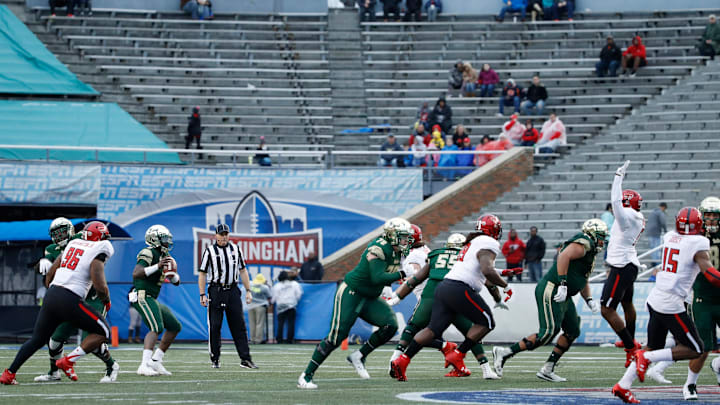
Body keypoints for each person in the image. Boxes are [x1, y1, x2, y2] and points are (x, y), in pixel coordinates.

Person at [390, 215, 515, 381]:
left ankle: (402, 360)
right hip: (460, 289)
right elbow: (486, 270)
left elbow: (473, 267)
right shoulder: (488, 242)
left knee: (432, 329)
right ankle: (458, 354)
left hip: (443, 288)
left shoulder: (471, 243)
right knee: (486, 323)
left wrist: (396, 297)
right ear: (494, 230)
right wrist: (506, 286)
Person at [611, 207, 717, 403]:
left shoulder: (670, 236)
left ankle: (623, 385)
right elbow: (709, 273)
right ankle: (646, 359)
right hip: (671, 303)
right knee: (696, 349)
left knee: (654, 346)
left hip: (656, 298)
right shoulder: (700, 242)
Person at [298, 218, 413, 389]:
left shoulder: (396, 251)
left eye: (407, 237)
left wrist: (389, 284)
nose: (406, 241)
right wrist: (402, 274)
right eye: (402, 237)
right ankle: (305, 376)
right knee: (336, 337)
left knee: (390, 325)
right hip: (352, 293)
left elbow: (383, 276)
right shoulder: (379, 248)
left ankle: (359, 356)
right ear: (391, 235)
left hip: (370, 296)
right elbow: (377, 277)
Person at [494, 219, 608, 382]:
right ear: (592, 234)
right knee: (547, 332)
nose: (603, 241)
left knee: (572, 330)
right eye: (601, 236)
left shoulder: (590, 251)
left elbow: (582, 279)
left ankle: (548, 368)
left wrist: (588, 299)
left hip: (564, 293)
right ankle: (504, 353)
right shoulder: (584, 243)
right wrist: (562, 283)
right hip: (552, 288)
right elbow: (564, 256)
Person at [1, 222, 114, 385]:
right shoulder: (102, 246)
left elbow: (52, 271)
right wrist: (106, 300)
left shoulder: (73, 243)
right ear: (102, 237)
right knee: (104, 332)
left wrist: (52, 288)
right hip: (71, 298)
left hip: (52, 294)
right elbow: (99, 281)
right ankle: (68, 361)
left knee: (37, 339)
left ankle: (9, 373)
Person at [33, 218, 118, 383]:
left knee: (93, 339)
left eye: (62, 232)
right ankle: (53, 372)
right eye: (55, 234)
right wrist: (40, 265)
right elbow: (50, 271)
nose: (59, 237)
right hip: (71, 298)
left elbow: (96, 266)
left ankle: (111, 366)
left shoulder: (82, 239)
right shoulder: (51, 249)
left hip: (92, 297)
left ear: (71, 231)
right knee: (55, 340)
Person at [600, 161, 645, 370]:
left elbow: (616, 201)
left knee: (606, 309)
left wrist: (618, 176)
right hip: (628, 264)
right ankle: (631, 339)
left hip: (622, 266)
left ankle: (630, 347)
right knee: (627, 305)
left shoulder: (628, 216)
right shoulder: (636, 216)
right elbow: (619, 204)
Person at [198, 224, 257, 369]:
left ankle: (245, 358)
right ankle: (215, 358)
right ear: (216, 235)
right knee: (215, 325)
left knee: (239, 325)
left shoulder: (236, 249)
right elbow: (202, 273)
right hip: (216, 290)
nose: (224, 237)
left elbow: (243, 270)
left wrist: (248, 290)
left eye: (226, 234)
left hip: (232, 290)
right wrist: (202, 294)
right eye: (221, 234)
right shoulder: (210, 251)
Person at [132, 225, 183, 376]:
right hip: (142, 295)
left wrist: (172, 275)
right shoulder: (148, 252)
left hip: (152, 297)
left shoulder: (165, 254)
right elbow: (136, 273)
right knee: (156, 327)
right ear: (154, 238)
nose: (167, 242)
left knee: (174, 326)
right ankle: (143, 365)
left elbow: (177, 281)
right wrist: (157, 266)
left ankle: (155, 361)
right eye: (164, 238)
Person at [273, 271, 303, 344]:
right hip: (291, 305)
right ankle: (289, 339)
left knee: (280, 323)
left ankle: (279, 339)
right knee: (291, 323)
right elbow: (299, 294)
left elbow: (274, 297)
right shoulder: (294, 284)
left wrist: (274, 302)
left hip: (281, 305)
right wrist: (294, 300)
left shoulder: (277, 286)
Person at [248, 274, 272, 345]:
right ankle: (258, 340)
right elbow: (269, 296)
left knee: (252, 323)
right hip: (260, 306)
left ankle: (252, 339)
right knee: (259, 323)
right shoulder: (264, 287)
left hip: (251, 305)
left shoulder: (251, 285)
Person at [646, 202, 668, 267]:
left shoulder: (653, 212)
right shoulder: (660, 213)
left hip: (649, 232)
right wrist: (665, 230)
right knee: (656, 248)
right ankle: (656, 263)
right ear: (663, 207)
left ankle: (653, 261)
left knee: (652, 247)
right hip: (656, 232)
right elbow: (663, 222)